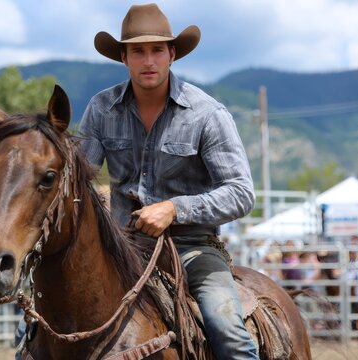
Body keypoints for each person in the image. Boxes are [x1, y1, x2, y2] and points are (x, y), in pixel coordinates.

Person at [78, 4, 257, 359]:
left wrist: (175, 208)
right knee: (37, 325)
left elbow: (241, 192)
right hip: (120, 247)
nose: (148, 60)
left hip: (192, 248)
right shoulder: (101, 110)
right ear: (124, 58)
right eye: (138, 51)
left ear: (172, 54)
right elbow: (79, 179)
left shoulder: (207, 114)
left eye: (157, 50)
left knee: (227, 328)